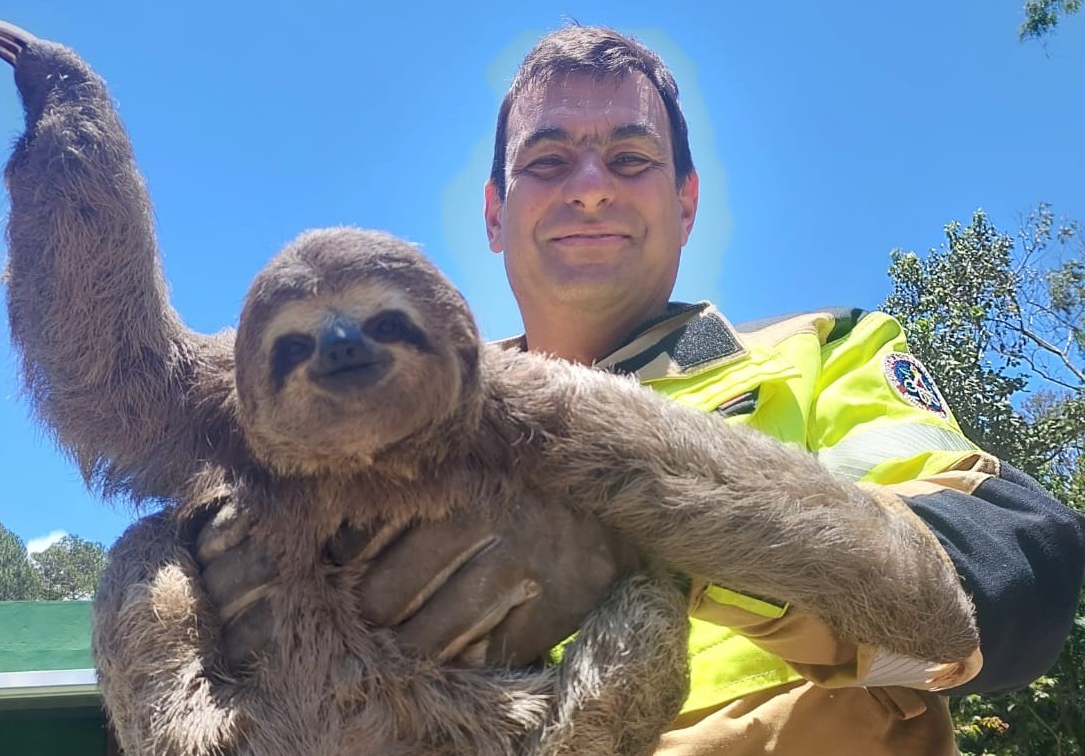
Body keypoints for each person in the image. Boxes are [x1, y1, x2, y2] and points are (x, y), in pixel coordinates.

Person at [198, 25, 1085, 755]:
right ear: (495, 214)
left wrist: (654, 528)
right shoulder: (380, 419)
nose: (589, 189)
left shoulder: (819, 355)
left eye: (630, 158)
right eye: (547, 162)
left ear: (686, 200)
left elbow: (1008, 588)